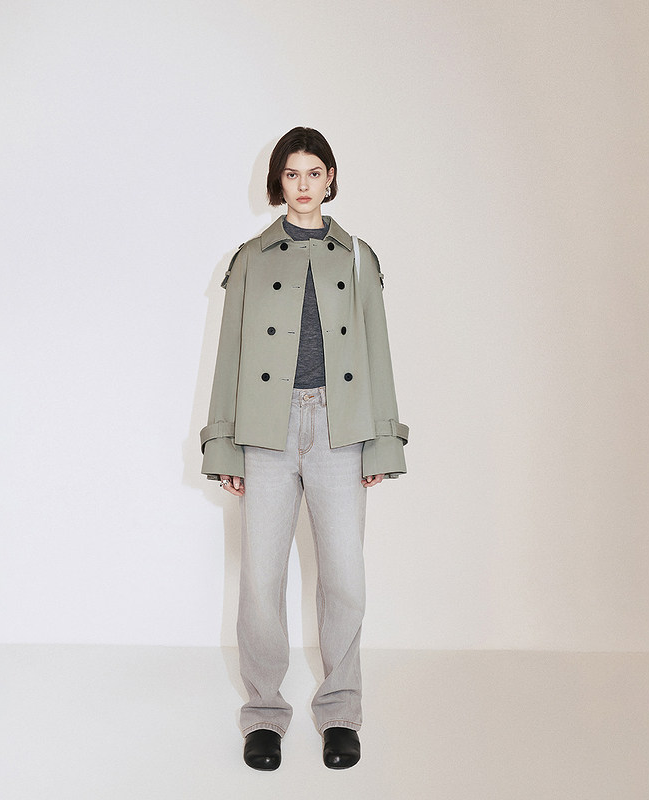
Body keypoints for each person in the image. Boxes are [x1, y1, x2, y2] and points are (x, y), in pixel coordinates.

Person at [200, 127, 408, 770]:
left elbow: (376, 350)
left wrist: (381, 441)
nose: (303, 185)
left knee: (344, 578)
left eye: (314, 172)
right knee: (260, 580)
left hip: (339, 428)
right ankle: (264, 714)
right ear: (279, 181)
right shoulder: (251, 258)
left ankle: (340, 711)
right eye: (292, 174)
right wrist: (224, 446)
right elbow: (229, 356)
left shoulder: (357, 256)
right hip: (267, 431)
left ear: (331, 178)